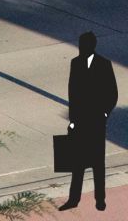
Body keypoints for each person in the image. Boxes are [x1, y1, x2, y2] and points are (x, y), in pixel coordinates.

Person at [65, 30, 118, 211]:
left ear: (91, 46)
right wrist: (72, 119)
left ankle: (100, 199)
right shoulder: (75, 63)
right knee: (77, 163)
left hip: (96, 121)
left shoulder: (104, 64)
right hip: (80, 121)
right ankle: (74, 199)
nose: (81, 48)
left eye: (83, 45)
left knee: (97, 163)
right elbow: (72, 92)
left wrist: (104, 114)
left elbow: (112, 93)